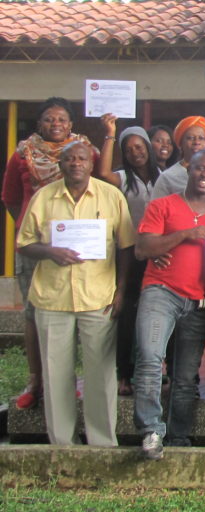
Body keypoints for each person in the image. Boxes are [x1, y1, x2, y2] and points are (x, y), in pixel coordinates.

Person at [16, 141, 134, 446]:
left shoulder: (111, 197)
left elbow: (126, 248)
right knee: (56, 374)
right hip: (52, 298)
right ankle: (62, 443)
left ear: (91, 164)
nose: (75, 163)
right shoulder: (44, 198)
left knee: (101, 375)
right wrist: (49, 251)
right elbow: (24, 243)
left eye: (81, 158)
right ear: (61, 164)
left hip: (99, 297)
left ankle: (102, 443)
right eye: (69, 159)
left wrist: (121, 291)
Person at [2, 97, 98, 412]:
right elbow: (13, 199)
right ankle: (36, 380)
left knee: (75, 313)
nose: (55, 124)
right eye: (48, 119)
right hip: (37, 248)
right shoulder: (22, 155)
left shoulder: (86, 152)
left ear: (71, 124)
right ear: (39, 124)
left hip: (79, 246)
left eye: (61, 119)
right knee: (33, 314)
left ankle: (69, 380)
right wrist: (35, 232)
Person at [134, 149, 205, 460]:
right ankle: (150, 430)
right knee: (149, 358)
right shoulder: (163, 205)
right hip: (161, 291)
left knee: (185, 376)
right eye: (200, 169)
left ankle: (178, 439)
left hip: (199, 302)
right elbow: (142, 248)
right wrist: (185, 234)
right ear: (189, 170)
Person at [96, 117, 160, 397]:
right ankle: (124, 373)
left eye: (140, 146)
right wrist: (110, 134)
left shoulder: (163, 176)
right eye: (130, 148)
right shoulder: (122, 178)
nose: (136, 152)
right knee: (128, 314)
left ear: (148, 146)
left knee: (154, 313)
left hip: (157, 254)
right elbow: (103, 172)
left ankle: (156, 369)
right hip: (130, 255)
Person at [151, 116, 205, 198]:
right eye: (190, 138)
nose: (196, 142)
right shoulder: (167, 177)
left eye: (201, 138)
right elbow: (155, 209)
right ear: (181, 143)